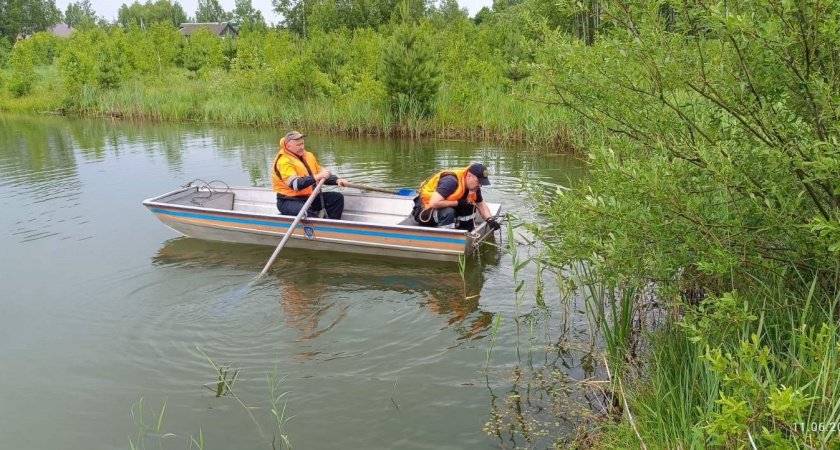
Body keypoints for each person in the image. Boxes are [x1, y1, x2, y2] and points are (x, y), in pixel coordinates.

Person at [272, 131, 350, 219]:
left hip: (309, 197)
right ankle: (319, 230)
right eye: (298, 145)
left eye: (302, 143)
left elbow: (323, 174)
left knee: (336, 198)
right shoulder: (284, 162)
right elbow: (295, 184)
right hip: (288, 200)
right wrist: (317, 177)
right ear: (288, 146)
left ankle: (331, 227)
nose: (302, 147)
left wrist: (337, 180)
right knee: (305, 211)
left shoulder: (309, 156)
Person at [412, 163, 501, 231]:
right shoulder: (451, 182)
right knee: (448, 212)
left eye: (482, 183)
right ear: (469, 176)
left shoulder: (473, 187)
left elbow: (481, 205)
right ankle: (446, 238)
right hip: (424, 209)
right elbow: (433, 203)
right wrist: (458, 203)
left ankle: (466, 232)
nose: (480, 185)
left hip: (441, 207)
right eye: (478, 182)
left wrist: (490, 220)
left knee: (470, 204)